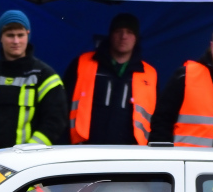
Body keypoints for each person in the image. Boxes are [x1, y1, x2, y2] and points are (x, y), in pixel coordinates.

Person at [0, 10, 66, 158]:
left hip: (30, 165)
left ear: (28, 36)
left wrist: (29, 154)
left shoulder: (45, 76)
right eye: (10, 35)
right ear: (0, 38)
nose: (16, 41)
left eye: (20, 35)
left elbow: (55, 122)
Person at [63, 13, 156, 145]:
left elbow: (157, 118)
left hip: (131, 152)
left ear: (136, 38)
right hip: (84, 148)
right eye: (118, 31)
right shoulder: (82, 63)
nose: (123, 37)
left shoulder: (149, 73)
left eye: (129, 32)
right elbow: (62, 105)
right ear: (110, 35)